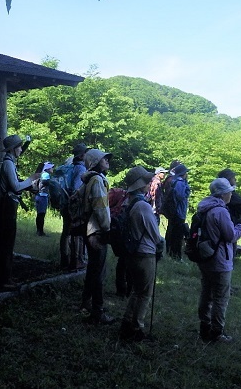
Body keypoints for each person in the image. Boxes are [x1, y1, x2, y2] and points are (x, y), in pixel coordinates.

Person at [196, 178, 241, 343]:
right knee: (220, 297)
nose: (231, 193)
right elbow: (230, 236)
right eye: (230, 190)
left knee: (206, 292)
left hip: (205, 256)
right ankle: (216, 332)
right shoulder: (221, 211)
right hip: (220, 260)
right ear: (223, 193)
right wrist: (240, 227)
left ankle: (204, 325)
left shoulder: (204, 207)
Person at [119, 166, 164, 342]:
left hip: (132, 252)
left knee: (136, 291)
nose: (148, 183)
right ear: (139, 184)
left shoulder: (128, 202)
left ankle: (127, 322)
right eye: (145, 180)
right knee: (145, 293)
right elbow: (155, 235)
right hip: (145, 254)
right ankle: (137, 328)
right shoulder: (143, 206)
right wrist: (161, 245)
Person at [0, 134, 40, 291]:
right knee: (7, 242)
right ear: (13, 149)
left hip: (5, 206)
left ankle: (5, 276)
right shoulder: (8, 164)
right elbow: (15, 187)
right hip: (7, 207)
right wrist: (31, 178)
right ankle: (4, 279)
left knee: (6, 241)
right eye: (19, 147)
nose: (21, 149)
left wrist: (29, 186)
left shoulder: (8, 162)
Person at [80, 148, 116, 325]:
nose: (107, 161)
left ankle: (86, 303)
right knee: (98, 272)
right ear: (95, 163)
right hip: (96, 231)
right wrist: (107, 229)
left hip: (89, 229)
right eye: (104, 159)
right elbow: (101, 208)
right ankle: (97, 311)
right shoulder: (97, 181)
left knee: (93, 269)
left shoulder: (89, 179)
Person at [62, 142, 90, 271]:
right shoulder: (81, 169)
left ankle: (65, 259)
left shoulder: (70, 167)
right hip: (74, 206)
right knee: (77, 233)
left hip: (65, 203)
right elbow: (76, 188)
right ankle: (76, 261)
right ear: (82, 155)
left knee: (66, 232)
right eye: (85, 153)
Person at [164, 163, 190, 259]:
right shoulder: (179, 182)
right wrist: (186, 191)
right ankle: (176, 255)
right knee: (177, 235)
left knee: (174, 233)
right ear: (183, 173)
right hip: (178, 212)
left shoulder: (176, 181)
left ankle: (171, 253)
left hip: (176, 212)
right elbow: (180, 196)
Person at [35, 162, 54, 236]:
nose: (52, 169)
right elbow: (44, 182)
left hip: (38, 196)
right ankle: (40, 232)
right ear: (48, 168)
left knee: (39, 214)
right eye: (51, 167)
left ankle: (39, 231)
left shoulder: (42, 173)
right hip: (42, 196)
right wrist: (52, 182)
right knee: (42, 214)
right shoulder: (46, 174)